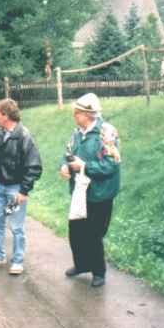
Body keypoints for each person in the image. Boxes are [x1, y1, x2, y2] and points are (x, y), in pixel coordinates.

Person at [60, 93, 121, 288]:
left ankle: (98, 272)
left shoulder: (107, 133)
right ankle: (81, 265)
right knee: (76, 232)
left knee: (94, 234)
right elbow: (67, 153)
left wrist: (84, 167)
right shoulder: (77, 133)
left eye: (76, 113)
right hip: (80, 191)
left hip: (100, 193)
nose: (74, 116)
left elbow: (111, 165)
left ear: (87, 114)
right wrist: (65, 166)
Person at [0, 98, 42, 275]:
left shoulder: (24, 136)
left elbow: (34, 166)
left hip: (15, 190)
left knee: (16, 226)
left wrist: (24, 191)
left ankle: (17, 261)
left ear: (6, 115)